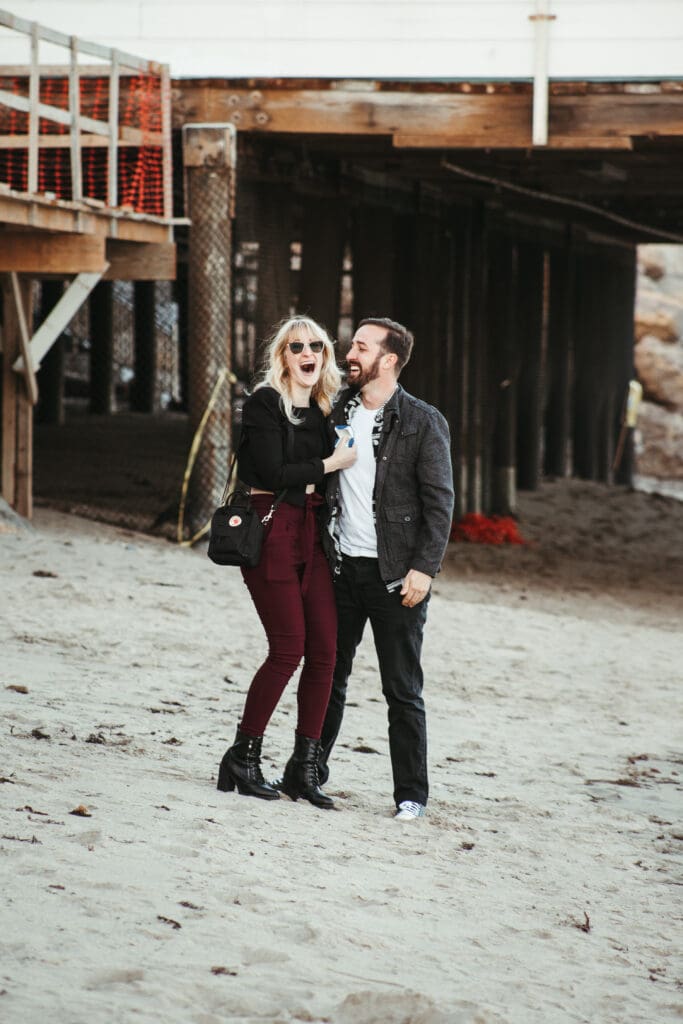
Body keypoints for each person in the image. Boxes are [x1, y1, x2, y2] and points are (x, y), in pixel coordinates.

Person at [216, 316, 357, 808]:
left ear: (325, 354)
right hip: (270, 526)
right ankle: (243, 755)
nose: (307, 352)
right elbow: (274, 471)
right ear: (282, 356)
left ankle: (303, 768)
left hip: (312, 531)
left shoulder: (324, 409)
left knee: (326, 650)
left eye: (316, 345)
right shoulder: (263, 403)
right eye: (296, 346)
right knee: (288, 648)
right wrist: (329, 465)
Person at [320, 317, 454, 820]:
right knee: (328, 674)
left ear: (389, 359)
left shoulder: (423, 420)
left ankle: (411, 796)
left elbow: (440, 503)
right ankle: (311, 772)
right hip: (339, 569)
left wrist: (425, 568)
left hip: (396, 576)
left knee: (401, 688)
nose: (349, 353)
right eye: (352, 344)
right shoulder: (336, 410)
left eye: (361, 346)